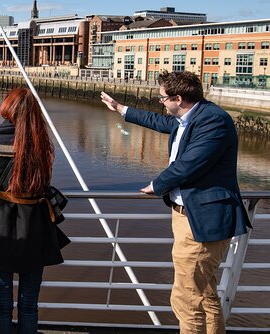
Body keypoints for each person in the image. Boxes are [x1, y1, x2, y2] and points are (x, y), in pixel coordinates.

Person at [101, 70, 252, 334]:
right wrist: (120, 108)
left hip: (202, 220)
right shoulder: (190, 117)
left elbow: (190, 164)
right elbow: (158, 121)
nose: (161, 102)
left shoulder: (213, 121)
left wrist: (156, 185)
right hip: (188, 215)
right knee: (204, 292)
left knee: (186, 298)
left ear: (178, 98)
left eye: (162, 99)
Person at [0, 87, 70, 334]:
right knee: (29, 304)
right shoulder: (41, 145)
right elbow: (42, 185)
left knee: (1, 304)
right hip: (34, 230)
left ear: (7, 109)